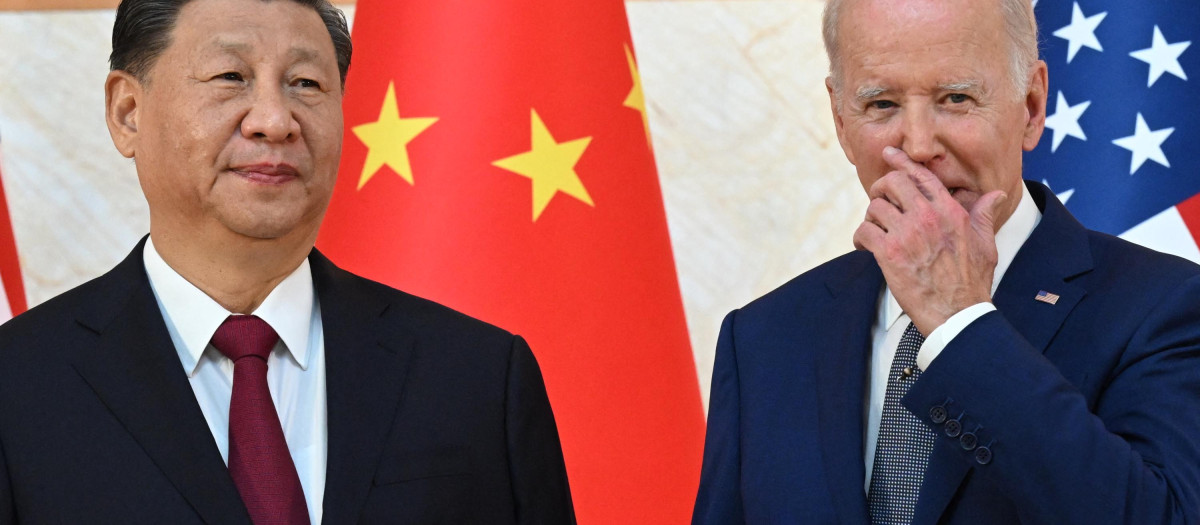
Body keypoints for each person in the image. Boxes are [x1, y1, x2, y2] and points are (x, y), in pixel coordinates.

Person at [0, 0, 575, 523]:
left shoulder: (477, 376)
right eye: (231, 77)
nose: (275, 121)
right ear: (128, 112)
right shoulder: (19, 385)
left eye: (306, 83)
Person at [693, 0, 1200, 523]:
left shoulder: (1166, 308)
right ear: (840, 119)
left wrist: (959, 324)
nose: (917, 145)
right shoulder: (762, 339)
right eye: (882, 104)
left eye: (956, 98)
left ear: (1031, 105)